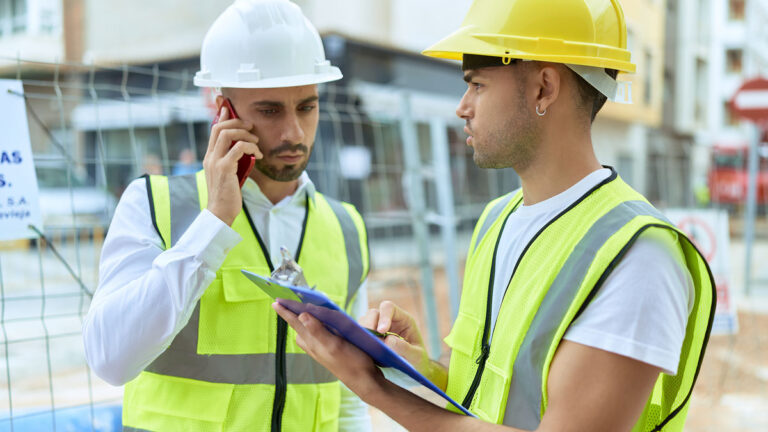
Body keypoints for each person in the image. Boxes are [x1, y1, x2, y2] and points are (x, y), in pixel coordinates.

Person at [274, 0, 716, 431]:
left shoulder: (638, 256)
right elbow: (485, 391)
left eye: (478, 84)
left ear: (544, 87)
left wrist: (374, 388)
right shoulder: (497, 218)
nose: (462, 106)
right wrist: (416, 364)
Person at [83, 1, 373, 430]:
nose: (293, 132)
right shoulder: (154, 204)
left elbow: (348, 397)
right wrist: (214, 223)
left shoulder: (346, 226)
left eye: (307, 107)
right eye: (270, 110)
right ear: (222, 110)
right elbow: (110, 360)